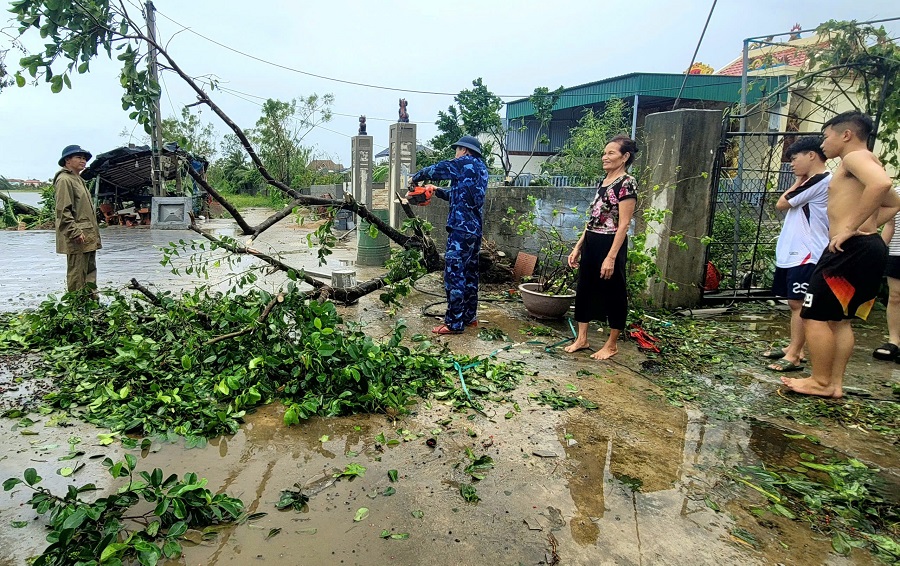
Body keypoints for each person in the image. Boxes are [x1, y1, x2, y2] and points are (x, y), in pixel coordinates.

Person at [782, 110, 900, 398]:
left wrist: (850, 227)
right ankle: (834, 384)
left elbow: (882, 186)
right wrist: (868, 225)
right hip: (864, 246)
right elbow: (894, 203)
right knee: (839, 319)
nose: (823, 144)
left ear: (846, 135)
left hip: (848, 249)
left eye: (826, 136)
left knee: (814, 314)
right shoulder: (868, 159)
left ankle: (820, 381)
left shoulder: (854, 157)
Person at [564, 136, 638, 360]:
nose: (605, 157)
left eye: (611, 153)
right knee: (584, 289)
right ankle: (582, 338)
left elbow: (624, 224)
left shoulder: (627, 183)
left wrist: (611, 257)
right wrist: (578, 247)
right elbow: (594, 219)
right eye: (604, 153)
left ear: (625, 157)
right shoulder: (604, 180)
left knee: (614, 292)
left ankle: (612, 344)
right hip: (592, 241)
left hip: (611, 243)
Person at [762, 137, 831, 372]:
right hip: (795, 251)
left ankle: (794, 354)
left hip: (807, 252)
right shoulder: (811, 181)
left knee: (798, 303)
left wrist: (799, 181)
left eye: (795, 158)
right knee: (794, 302)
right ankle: (795, 347)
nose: (791, 164)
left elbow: (782, 203)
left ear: (811, 155)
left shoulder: (820, 181)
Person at [408, 136, 488, 335]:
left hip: (460, 231)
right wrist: (437, 191)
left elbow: (439, 169)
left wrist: (415, 177)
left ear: (464, 150)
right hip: (474, 231)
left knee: (454, 275)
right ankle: (469, 317)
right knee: (470, 275)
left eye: (457, 150)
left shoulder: (464, 163)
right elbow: (458, 195)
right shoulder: (481, 169)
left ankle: (454, 323)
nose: (456, 154)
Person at [54, 144, 102, 293]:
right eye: (79, 157)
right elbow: (63, 211)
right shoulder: (64, 180)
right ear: (67, 160)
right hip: (78, 235)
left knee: (89, 271)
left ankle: (91, 304)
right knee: (77, 273)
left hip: (87, 233)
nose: (83, 161)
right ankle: (77, 306)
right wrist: (74, 232)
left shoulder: (78, 179)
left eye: (84, 158)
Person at [873, 185, 900, 361]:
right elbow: (890, 224)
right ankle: (894, 341)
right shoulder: (896, 191)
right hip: (897, 251)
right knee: (895, 296)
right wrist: (879, 250)